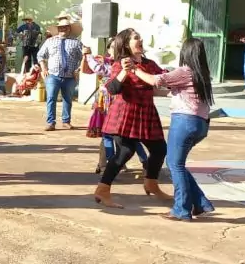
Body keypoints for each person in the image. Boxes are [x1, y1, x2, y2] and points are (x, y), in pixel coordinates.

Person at [129, 38, 216, 220]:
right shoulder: (202, 74)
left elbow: (156, 80)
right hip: (200, 124)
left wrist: (134, 69)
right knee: (178, 164)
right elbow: (167, 88)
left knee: (174, 164)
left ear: (186, 52)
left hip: (185, 121)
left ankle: (181, 209)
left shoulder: (185, 71)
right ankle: (200, 204)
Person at [93, 28, 169, 209]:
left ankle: (151, 183)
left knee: (159, 149)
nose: (140, 40)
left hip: (147, 113)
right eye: (136, 38)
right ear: (126, 44)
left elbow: (161, 79)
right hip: (125, 114)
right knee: (125, 152)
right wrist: (124, 72)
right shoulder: (120, 64)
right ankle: (103, 190)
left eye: (140, 37)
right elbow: (112, 89)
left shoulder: (149, 64)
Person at [82, 41, 147, 174]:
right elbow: (87, 69)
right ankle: (108, 164)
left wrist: (88, 55)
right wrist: (85, 57)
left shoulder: (123, 63)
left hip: (120, 102)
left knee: (125, 136)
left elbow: (101, 70)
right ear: (108, 49)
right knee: (108, 135)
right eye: (112, 47)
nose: (115, 49)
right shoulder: (104, 60)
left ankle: (129, 163)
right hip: (104, 102)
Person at [37, 15, 84, 131]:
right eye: (61, 28)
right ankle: (50, 122)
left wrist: (77, 70)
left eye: (65, 27)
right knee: (51, 98)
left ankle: (66, 121)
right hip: (53, 75)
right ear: (58, 29)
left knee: (68, 99)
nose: (63, 29)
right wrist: (43, 68)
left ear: (69, 28)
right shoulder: (50, 41)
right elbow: (40, 55)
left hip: (69, 76)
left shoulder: (76, 42)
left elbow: (83, 57)